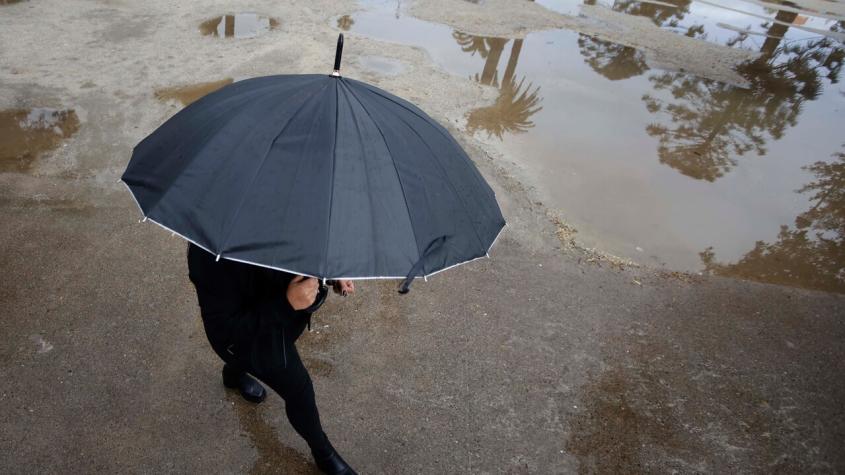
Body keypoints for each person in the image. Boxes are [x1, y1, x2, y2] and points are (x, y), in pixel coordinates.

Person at [187, 243, 357, 475]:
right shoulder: (209, 255)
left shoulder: (289, 217)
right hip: (244, 339)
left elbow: (306, 252)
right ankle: (323, 452)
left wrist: (329, 274)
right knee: (300, 389)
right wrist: (286, 304)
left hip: (282, 320)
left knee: (255, 363)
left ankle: (233, 374)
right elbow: (226, 329)